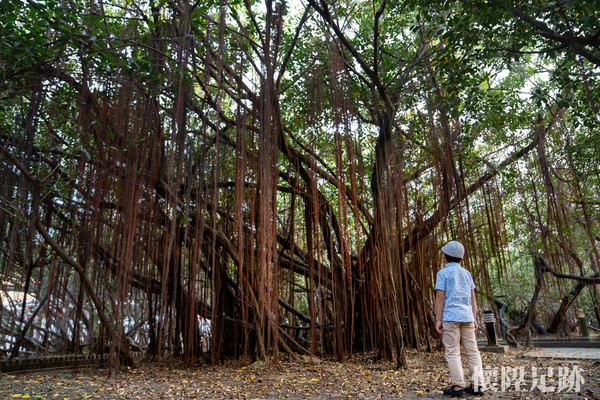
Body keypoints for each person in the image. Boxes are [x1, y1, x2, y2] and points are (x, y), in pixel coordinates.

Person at [435, 240, 485, 397]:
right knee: (472, 351)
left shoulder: (442, 273)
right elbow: (472, 298)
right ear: (461, 258)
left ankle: (458, 387)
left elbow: (440, 298)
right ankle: (477, 386)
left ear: (444, 256)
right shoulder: (466, 273)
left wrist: (438, 319)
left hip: (450, 317)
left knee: (452, 351)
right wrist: (474, 318)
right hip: (467, 317)